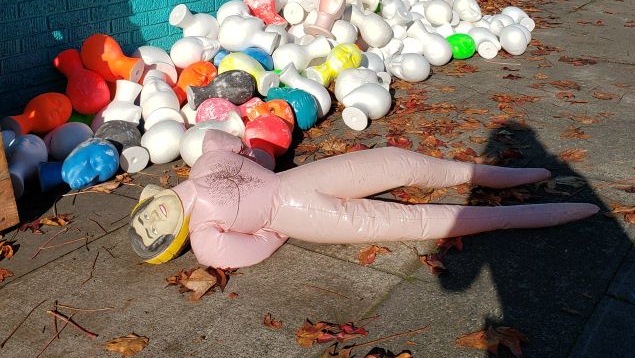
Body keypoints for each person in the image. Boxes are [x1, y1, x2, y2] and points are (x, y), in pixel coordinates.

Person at [128, 130, 598, 269]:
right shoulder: (207, 228)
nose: (157, 217)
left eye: (146, 217)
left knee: (400, 162)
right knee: (409, 220)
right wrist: (272, 229)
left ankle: (501, 178)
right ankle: (526, 210)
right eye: (156, 229)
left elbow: (223, 143)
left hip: (295, 193)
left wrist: (269, 230)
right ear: (170, 238)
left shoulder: (207, 168)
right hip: (296, 208)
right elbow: (235, 251)